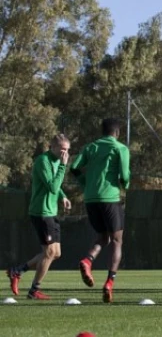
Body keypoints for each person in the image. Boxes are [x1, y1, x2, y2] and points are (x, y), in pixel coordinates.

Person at [70, 118, 131, 304]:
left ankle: (88, 260)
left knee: (103, 237)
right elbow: (125, 174)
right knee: (117, 240)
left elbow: (74, 167)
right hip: (110, 198)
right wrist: (125, 185)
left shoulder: (91, 147)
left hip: (90, 199)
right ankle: (109, 282)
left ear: (102, 131)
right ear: (117, 133)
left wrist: (85, 184)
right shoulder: (120, 148)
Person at [6, 135, 73, 300]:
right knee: (49, 252)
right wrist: (63, 167)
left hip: (51, 211)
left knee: (56, 253)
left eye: (67, 150)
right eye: (62, 149)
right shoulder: (43, 161)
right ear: (53, 147)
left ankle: (17, 271)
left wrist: (63, 196)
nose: (65, 153)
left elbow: (56, 187)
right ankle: (34, 290)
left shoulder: (57, 161)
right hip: (41, 212)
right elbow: (52, 186)